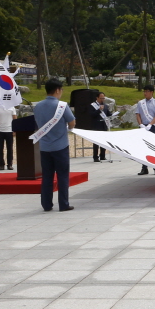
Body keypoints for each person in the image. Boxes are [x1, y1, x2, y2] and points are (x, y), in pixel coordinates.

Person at [32, 78, 76, 212]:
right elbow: (72, 122)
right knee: (62, 175)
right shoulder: (62, 105)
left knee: (47, 176)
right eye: (61, 90)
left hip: (44, 146)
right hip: (60, 146)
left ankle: (46, 204)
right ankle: (63, 204)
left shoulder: (38, 106)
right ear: (57, 90)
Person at [135, 85, 155, 175]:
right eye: (144, 91)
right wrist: (141, 124)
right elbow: (138, 114)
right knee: (143, 147)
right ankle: (144, 168)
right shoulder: (141, 103)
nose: (145, 93)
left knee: (153, 147)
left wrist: (150, 124)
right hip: (143, 126)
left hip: (153, 126)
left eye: (147, 91)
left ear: (152, 92)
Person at [84, 92, 114, 163]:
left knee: (103, 142)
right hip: (96, 126)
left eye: (103, 98)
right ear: (97, 98)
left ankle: (102, 156)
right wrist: (99, 110)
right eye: (101, 98)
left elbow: (108, 114)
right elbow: (91, 115)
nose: (102, 99)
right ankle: (95, 157)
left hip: (104, 125)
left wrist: (113, 115)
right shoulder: (92, 106)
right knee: (96, 142)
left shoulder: (105, 105)